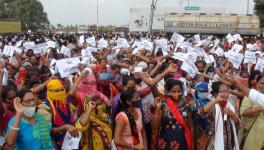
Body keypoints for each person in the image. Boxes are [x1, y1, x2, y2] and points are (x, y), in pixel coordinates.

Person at [37, 79, 80, 149]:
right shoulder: (44, 107)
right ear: (49, 92)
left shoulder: (67, 101)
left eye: (62, 90)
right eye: (56, 91)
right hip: (56, 144)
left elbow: (73, 119)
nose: (60, 93)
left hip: (71, 141)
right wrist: (64, 127)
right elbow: (46, 131)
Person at [151, 78, 193, 150]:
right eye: (173, 91)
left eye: (179, 91)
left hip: (182, 140)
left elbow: (191, 126)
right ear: (167, 92)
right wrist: (157, 109)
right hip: (166, 139)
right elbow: (155, 126)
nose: (176, 94)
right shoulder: (163, 105)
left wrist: (192, 144)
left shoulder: (187, 105)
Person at [201, 81, 240, 150]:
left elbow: (237, 125)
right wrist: (216, 100)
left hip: (230, 145)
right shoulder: (213, 106)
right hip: (215, 145)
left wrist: (232, 114)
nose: (226, 94)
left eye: (227, 91)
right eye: (222, 92)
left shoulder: (230, 105)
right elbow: (202, 112)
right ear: (215, 94)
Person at [239, 74, 264, 150]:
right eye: (262, 83)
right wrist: (260, 108)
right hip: (252, 137)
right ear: (256, 83)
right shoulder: (250, 96)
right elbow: (243, 112)